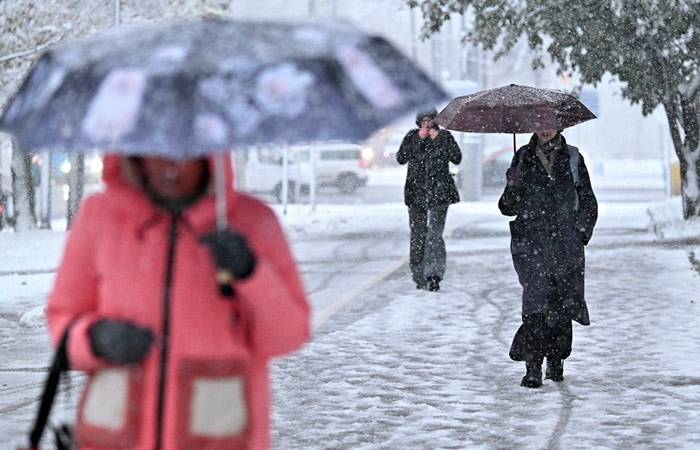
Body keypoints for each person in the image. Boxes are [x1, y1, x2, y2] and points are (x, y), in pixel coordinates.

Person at [46, 153, 310, 449]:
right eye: (154, 153)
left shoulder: (251, 221)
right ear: (134, 156)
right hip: (115, 437)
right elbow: (62, 317)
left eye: (185, 155)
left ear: (209, 156)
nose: (169, 165)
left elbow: (289, 335)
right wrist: (94, 339)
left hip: (216, 435)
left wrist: (251, 273)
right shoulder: (100, 216)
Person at [499, 129, 597, 388]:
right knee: (534, 301)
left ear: (560, 126)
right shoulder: (521, 157)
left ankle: (556, 359)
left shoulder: (573, 158)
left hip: (565, 243)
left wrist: (580, 232)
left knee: (562, 301)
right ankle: (533, 366)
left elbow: (587, 200)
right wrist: (513, 185)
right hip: (531, 243)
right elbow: (507, 207)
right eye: (539, 122)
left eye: (550, 122)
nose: (545, 128)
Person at [397, 107, 462, 291]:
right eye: (424, 121)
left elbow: (456, 157)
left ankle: (434, 275)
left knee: (434, 234)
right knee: (418, 235)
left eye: (430, 120)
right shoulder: (412, 137)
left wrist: (439, 140)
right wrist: (418, 140)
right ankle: (419, 276)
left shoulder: (445, 137)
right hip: (416, 193)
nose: (427, 124)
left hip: (440, 193)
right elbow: (401, 158)